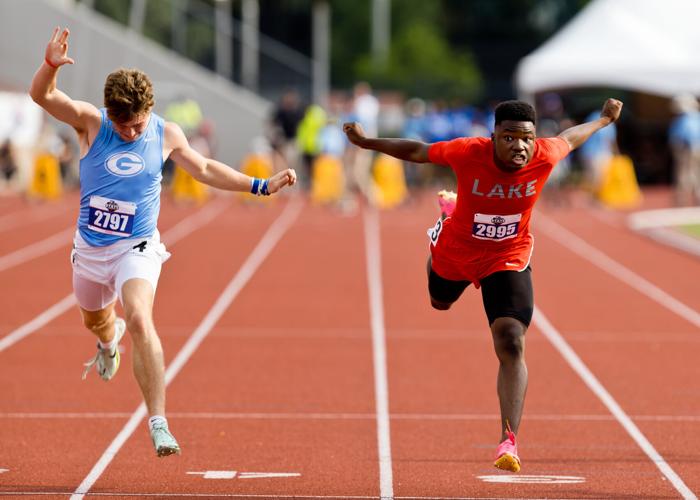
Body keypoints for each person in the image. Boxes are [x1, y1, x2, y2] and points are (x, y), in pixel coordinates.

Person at [29, 27, 296, 457]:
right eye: (123, 126)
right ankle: (106, 340)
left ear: (148, 111)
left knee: (139, 316)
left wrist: (260, 185)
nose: (131, 133)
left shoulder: (164, 133)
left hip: (137, 247)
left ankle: (158, 422)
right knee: (96, 321)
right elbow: (44, 98)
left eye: (136, 125)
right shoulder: (93, 123)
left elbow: (205, 168)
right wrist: (49, 67)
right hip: (91, 252)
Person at [344, 97, 622, 472]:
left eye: (526, 138)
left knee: (511, 339)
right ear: (493, 137)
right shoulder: (467, 152)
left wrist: (603, 120)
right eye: (508, 138)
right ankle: (447, 217)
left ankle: (509, 441)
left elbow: (571, 137)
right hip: (457, 251)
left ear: (535, 138)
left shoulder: (545, 153)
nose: (518, 146)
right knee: (438, 301)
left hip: (508, 255)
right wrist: (368, 143)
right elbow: (418, 150)